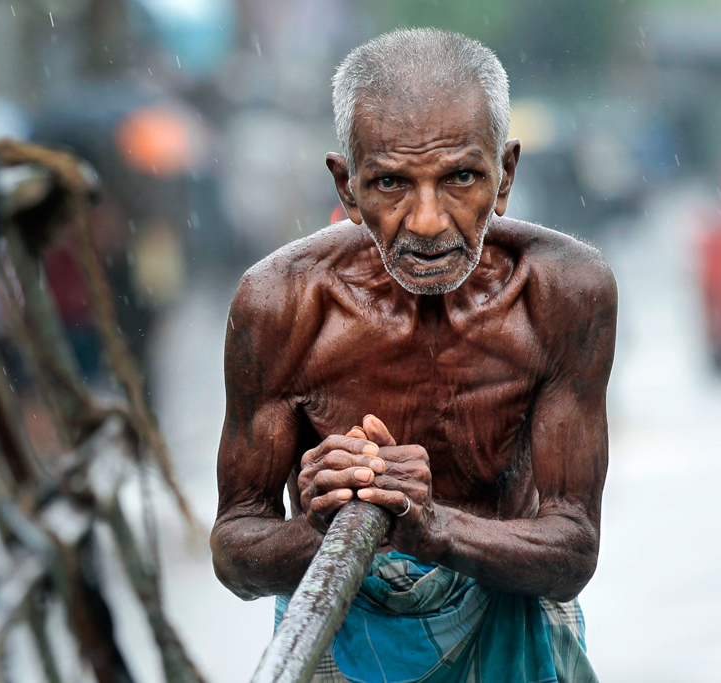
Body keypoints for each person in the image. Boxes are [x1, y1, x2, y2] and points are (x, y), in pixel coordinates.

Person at [211, 28, 616, 683]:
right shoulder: (280, 303)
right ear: (347, 188)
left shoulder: (562, 291)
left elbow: (572, 549)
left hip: (510, 629)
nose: (428, 222)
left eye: (460, 177)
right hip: (341, 640)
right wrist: (322, 522)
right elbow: (235, 549)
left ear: (505, 173)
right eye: (392, 183)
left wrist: (431, 527)